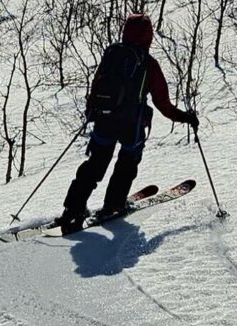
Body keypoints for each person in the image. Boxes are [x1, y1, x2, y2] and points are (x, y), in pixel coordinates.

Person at [57, 13, 198, 230]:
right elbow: (164, 105)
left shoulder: (112, 54)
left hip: (105, 120)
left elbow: (97, 85)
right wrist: (186, 118)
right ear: (148, 36)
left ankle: (72, 209)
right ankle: (113, 205)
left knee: (94, 166)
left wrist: (92, 111)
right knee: (127, 163)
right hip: (132, 125)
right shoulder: (148, 65)